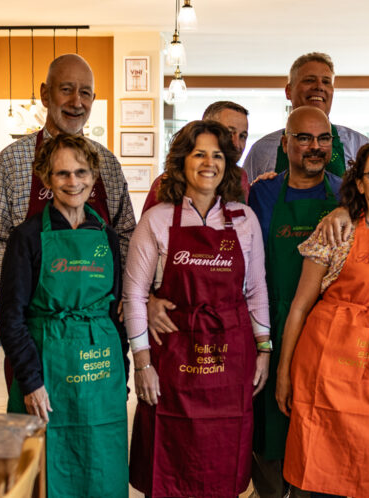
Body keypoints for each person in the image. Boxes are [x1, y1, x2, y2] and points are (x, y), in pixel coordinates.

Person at [124, 120, 271, 497]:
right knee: (169, 462)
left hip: (231, 360)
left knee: (223, 459)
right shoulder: (157, 220)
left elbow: (256, 290)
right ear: (182, 161)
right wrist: (142, 364)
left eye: (217, 155)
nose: (209, 163)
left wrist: (264, 350)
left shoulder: (245, 220)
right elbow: (134, 295)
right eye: (199, 154)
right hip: (172, 362)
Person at [276, 141, 369, 498]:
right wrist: (284, 372)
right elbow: (299, 307)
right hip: (325, 367)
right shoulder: (336, 232)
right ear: (359, 183)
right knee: (318, 471)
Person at [0, 134, 128, 497]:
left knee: (101, 468)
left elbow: (115, 314)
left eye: (81, 172)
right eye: (62, 174)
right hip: (47, 372)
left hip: (102, 374)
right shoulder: (27, 237)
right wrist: (31, 382)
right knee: (47, 472)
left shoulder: (107, 237)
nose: (74, 182)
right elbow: (11, 317)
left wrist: (122, 377)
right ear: (47, 178)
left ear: (94, 177)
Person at [0, 53, 135, 302]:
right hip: (35, 312)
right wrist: (10, 300)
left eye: (85, 93)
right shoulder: (12, 160)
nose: (76, 102)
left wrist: (122, 297)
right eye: (66, 89)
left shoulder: (108, 164)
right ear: (45, 94)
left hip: (98, 312)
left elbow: (126, 234)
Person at [246, 106, 341, 498]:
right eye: (304, 138)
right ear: (285, 144)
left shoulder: (346, 194)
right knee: (269, 430)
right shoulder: (261, 193)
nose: (315, 146)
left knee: (316, 432)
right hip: (271, 321)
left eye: (323, 138)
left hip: (326, 332)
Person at [242, 52, 369, 181]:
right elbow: (244, 192)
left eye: (326, 82)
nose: (319, 86)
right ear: (288, 91)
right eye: (309, 80)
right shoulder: (262, 150)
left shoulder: (359, 145)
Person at [141, 100, 252, 212]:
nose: (237, 144)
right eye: (229, 133)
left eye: (242, 136)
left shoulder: (241, 178)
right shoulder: (166, 183)